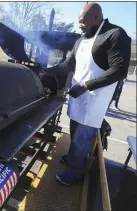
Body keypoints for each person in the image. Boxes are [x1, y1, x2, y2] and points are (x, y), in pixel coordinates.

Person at [42, 3, 131, 185]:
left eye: (83, 21)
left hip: (94, 99)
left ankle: (77, 172)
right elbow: (69, 64)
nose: (80, 25)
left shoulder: (115, 35)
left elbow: (119, 70)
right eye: (79, 21)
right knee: (75, 129)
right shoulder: (81, 40)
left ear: (97, 17)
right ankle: (73, 158)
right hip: (78, 95)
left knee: (84, 134)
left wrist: (86, 86)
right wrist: (48, 71)